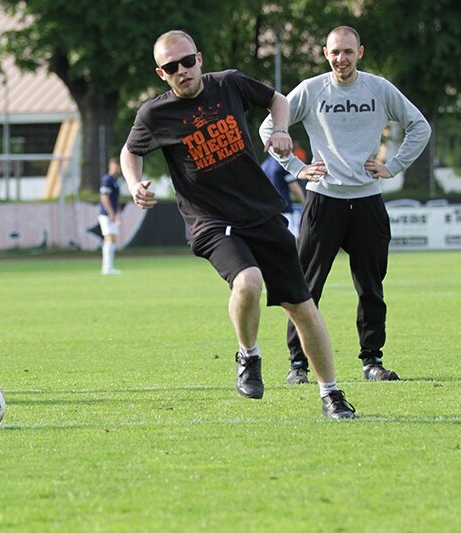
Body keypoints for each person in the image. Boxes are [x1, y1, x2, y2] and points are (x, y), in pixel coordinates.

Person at [121, 30, 355, 419]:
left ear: (199, 58)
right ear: (161, 74)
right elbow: (131, 151)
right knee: (248, 281)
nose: (182, 71)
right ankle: (249, 356)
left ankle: (331, 394)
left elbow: (277, 100)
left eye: (187, 61)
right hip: (210, 221)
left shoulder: (229, 84)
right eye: (171, 67)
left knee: (302, 307)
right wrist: (134, 184)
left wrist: (280, 129)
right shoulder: (154, 114)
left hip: (260, 212)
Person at [260, 26, 431, 385]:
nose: (341, 58)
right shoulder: (311, 89)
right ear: (325, 53)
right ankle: (298, 365)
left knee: (371, 287)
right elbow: (269, 129)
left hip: (368, 202)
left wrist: (394, 165)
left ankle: (372, 361)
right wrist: (297, 168)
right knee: (305, 288)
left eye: (348, 51)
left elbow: (420, 127)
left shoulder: (379, 89)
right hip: (323, 201)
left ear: (360, 52)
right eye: (335, 52)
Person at [261, 155, 305, 236]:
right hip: (285, 211)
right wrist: (304, 202)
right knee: (292, 240)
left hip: (270, 214)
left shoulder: (264, 165)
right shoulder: (283, 163)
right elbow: (293, 186)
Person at [99, 157, 123, 275]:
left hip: (112, 214)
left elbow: (115, 200)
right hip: (106, 214)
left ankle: (109, 267)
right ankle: (107, 269)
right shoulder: (107, 179)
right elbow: (104, 197)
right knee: (109, 238)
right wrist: (110, 212)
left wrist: (117, 213)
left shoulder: (115, 181)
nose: (118, 168)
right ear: (110, 166)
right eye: (116, 165)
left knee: (112, 239)